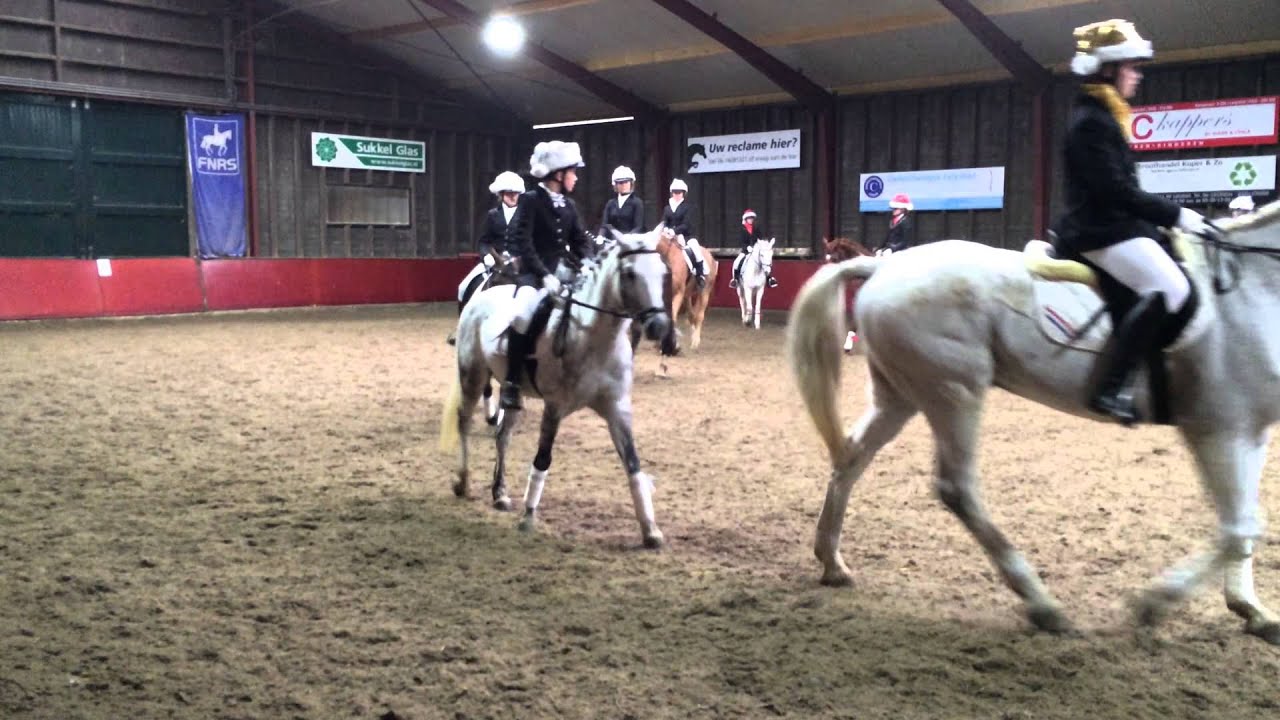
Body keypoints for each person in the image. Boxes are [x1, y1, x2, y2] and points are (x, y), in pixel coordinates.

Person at [1051, 19, 1209, 425]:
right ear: (1109, 69)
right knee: (1170, 287)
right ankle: (1109, 388)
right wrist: (1176, 215)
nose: (1137, 76)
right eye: (1131, 68)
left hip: (1114, 224)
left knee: (1178, 269)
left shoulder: (1103, 115)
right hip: (1097, 229)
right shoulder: (1091, 122)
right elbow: (1116, 192)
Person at [499, 140, 595, 410]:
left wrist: (587, 262)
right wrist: (544, 275)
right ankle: (512, 382)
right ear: (558, 174)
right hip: (534, 273)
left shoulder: (569, 205)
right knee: (521, 315)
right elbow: (523, 243)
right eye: (573, 172)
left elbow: (580, 240)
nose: (576, 178)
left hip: (566, 270)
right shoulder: (530, 200)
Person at [448, 170, 524, 345]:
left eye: (516, 193)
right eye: (510, 193)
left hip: (519, 263)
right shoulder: (493, 215)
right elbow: (483, 241)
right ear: (501, 194)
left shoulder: (525, 215)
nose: (513, 197)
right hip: (494, 262)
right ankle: (462, 329)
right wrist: (486, 257)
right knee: (463, 287)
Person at [660, 178, 709, 288]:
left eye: (679, 192)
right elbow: (664, 221)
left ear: (683, 194)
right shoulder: (667, 208)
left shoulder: (687, 207)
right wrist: (665, 229)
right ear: (671, 193)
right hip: (669, 236)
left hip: (686, 235)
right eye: (675, 192)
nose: (677, 194)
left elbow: (687, 224)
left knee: (695, 249)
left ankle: (700, 275)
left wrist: (674, 230)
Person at [730, 209, 778, 289]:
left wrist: (764, 244)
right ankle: (735, 279)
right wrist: (747, 247)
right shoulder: (742, 229)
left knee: (765, 262)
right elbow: (741, 242)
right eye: (749, 218)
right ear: (746, 219)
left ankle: (769, 278)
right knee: (736, 263)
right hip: (746, 251)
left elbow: (760, 238)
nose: (751, 220)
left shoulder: (756, 228)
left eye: (752, 218)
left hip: (756, 251)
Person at [599, 165, 645, 236]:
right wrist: (600, 236)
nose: (623, 185)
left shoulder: (637, 203)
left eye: (626, 182)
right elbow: (605, 225)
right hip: (612, 242)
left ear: (631, 183)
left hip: (631, 242)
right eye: (620, 183)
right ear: (615, 185)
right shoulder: (610, 203)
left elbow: (639, 227)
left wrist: (627, 237)